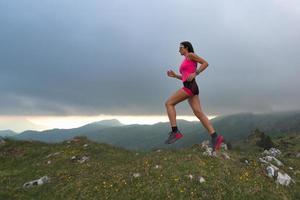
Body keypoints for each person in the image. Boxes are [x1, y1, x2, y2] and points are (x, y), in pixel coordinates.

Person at [164, 41, 224, 152]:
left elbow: (205, 63)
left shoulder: (190, 55)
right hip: (191, 86)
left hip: (189, 87)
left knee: (169, 103)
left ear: (186, 48)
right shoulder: (186, 58)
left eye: (180, 47)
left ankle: (175, 131)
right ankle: (215, 137)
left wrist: (196, 73)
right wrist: (175, 76)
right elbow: (185, 76)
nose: (179, 50)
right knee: (198, 112)